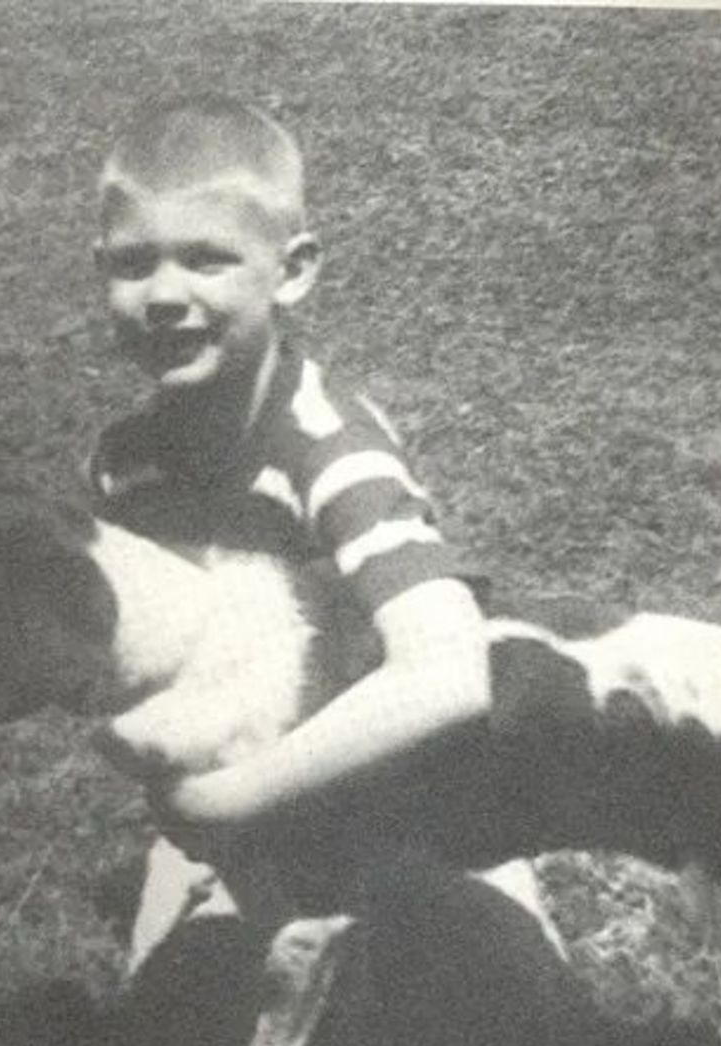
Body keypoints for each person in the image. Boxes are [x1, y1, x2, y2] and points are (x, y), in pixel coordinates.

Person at [89, 93, 492, 828]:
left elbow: (451, 671)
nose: (164, 295)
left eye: (207, 260)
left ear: (293, 270)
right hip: (237, 802)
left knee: (469, 938)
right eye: (132, 263)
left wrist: (238, 797)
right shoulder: (126, 466)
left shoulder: (332, 451)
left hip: (400, 812)